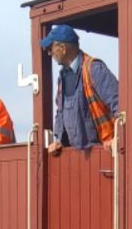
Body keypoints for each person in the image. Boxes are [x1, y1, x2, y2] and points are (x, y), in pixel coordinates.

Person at [40, 25, 119, 155]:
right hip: (79, 156)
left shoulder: (94, 69)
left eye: (50, 48)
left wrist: (117, 138)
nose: (49, 53)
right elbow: (60, 113)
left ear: (63, 48)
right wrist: (59, 140)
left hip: (103, 153)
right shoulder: (62, 77)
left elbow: (120, 103)